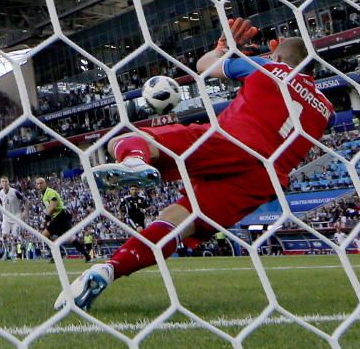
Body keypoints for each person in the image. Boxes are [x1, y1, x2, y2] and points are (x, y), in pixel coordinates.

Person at [59, 19, 334, 311]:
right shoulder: (325, 109)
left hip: (233, 141)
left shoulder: (268, 68)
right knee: (179, 221)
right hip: (265, 178)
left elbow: (205, 65)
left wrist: (223, 49)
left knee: (127, 140)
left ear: (277, 56)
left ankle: (134, 162)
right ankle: (108, 270)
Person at [35, 177, 91, 261]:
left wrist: (45, 220)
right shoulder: (43, 195)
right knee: (70, 238)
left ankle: (58, 254)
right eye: (38, 184)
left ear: (45, 183)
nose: (39, 185)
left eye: (41, 183)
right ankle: (87, 255)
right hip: (61, 216)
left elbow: (53, 207)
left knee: (44, 235)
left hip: (60, 215)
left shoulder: (49, 192)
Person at [0, 177, 26, 260]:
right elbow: (0, 204)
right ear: (0, 184)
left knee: (15, 237)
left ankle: (12, 253)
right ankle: (6, 252)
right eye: (3, 181)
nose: (4, 183)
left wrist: (25, 211)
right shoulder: (0, 193)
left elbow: (26, 200)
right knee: (4, 236)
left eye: (6, 181)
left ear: (8, 182)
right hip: (6, 218)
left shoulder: (15, 192)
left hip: (16, 217)